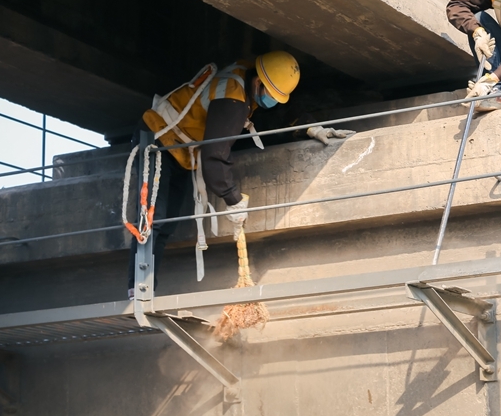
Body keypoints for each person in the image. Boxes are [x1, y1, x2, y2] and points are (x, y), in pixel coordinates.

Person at [126, 51, 353, 298]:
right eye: (271, 94)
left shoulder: (249, 77)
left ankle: (146, 290)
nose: (272, 101)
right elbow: (215, 155)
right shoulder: (232, 96)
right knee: (154, 220)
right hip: (158, 140)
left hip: (181, 150)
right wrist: (233, 198)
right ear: (258, 82)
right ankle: (138, 290)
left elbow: (279, 110)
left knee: (168, 223)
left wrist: (310, 127)